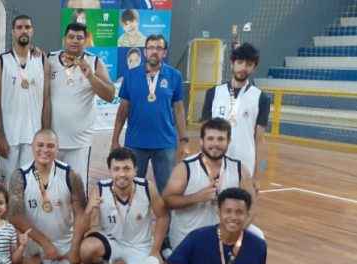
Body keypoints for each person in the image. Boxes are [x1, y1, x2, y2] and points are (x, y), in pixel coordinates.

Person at [77, 148, 169, 264]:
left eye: (127, 168)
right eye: (116, 169)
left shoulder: (147, 187)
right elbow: (87, 228)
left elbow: (163, 217)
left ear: (135, 170)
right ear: (110, 171)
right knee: (87, 249)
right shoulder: (100, 189)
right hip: (112, 242)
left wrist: (154, 251)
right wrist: (88, 210)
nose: (121, 174)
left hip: (140, 245)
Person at [146, 188, 266, 264]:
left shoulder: (258, 246)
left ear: (247, 214)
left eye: (239, 212)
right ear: (218, 212)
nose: (233, 217)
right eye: (228, 211)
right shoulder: (198, 237)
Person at [7, 129, 87, 264]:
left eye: (50, 146)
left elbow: (81, 214)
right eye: (40, 145)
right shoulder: (19, 176)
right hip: (29, 241)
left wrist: (74, 249)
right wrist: (44, 243)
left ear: (58, 148)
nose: (45, 150)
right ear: (32, 147)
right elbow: (14, 216)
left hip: (60, 243)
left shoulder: (70, 175)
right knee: (6, 237)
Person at [162, 118, 261, 251]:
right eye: (210, 139)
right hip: (188, 237)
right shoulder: (185, 168)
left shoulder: (240, 169)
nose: (215, 144)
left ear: (228, 141)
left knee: (257, 236)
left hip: (223, 236)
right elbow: (167, 201)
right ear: (202, 141)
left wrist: (237, 232)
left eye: (221, 139)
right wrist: (196, 197)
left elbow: (252, 207)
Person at [112, 35, 187, 194]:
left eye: (159, 48)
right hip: (136, 142)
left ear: (164, 53)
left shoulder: (175, 76)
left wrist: (184, 140)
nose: (154, 51)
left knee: (167, 191)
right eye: (151, 48)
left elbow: (179, 109)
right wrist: (114, 139)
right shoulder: (131, 75)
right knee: (131, 188)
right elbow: (123, 110)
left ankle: (166, 219)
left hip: (165, 143)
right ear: (145, 52)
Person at [47, 22, 115, 188]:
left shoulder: (95, 62)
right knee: (51, 188)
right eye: (71, 37)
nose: (75, 41)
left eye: (79, 38)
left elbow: (110, 95)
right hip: (51, 140)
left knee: (77, 189)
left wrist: (90, 76)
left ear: (85, 41)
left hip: (79, 142)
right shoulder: (49, 59)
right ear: (64, 39)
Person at [201, 43, 271, 191]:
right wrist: (201, 164)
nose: (243, 68)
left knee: (240, 211)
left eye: (249, 64)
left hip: (244, 164)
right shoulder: (213, 93)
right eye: (239, 62)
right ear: (232, 64)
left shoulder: (261, 98)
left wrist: (258, 177)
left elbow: (260, 140)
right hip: (215, 162)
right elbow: (204, 134)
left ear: (254, 67)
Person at [0, 15, 51, 183]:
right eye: (19, 27)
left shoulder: (43, 60)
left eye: (27, 27)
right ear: (13, 32)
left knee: (30, 185)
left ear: (32, 31)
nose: (23, 30)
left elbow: (46, 101)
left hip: (33, 135)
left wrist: (45, 136)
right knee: (6, 185)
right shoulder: (1, 61)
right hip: (8, 137)